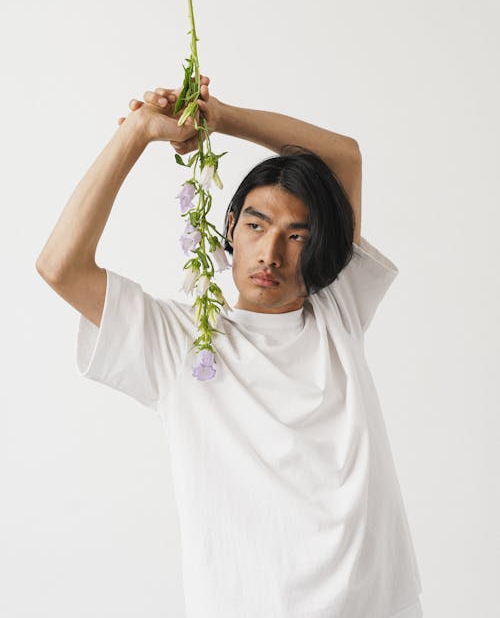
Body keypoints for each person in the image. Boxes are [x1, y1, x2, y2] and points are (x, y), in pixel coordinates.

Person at [36, 77, 423, 618]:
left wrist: (220, 117)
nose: (271, 253)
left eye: (298, 236)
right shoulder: (181, 343)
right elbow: (60, 266)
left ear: (321, 250)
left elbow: (344, 156)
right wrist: (140, 133)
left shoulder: (338, 307)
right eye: (257, 225)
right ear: (230, 228)